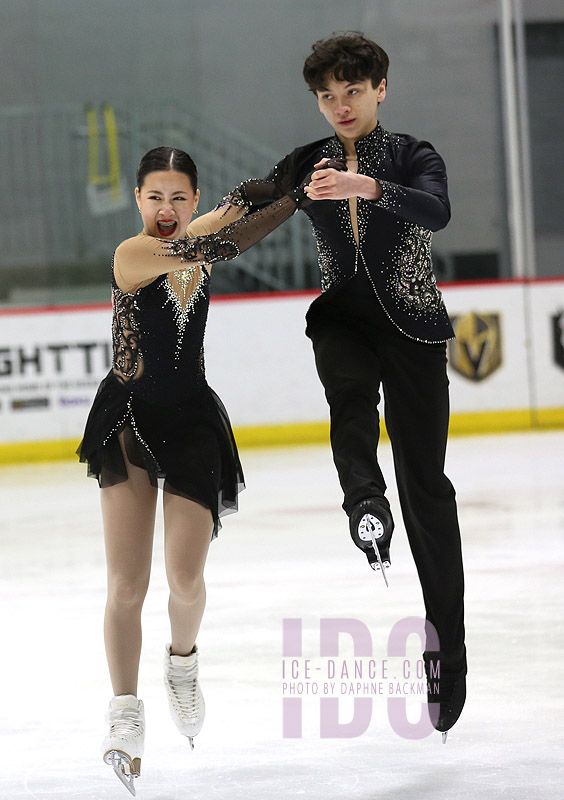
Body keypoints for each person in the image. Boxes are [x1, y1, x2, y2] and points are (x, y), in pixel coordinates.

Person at [250, 31, 466, 739]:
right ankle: (365, 504)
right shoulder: (305, 161)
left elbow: (435, 211)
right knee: (348, 404)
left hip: (411, 325)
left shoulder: (411, 155)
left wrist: (364, 185)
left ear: (380, 89)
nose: (338, 105)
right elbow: (251, 201)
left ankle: (447, 651)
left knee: (427, 483)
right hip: (343, 315)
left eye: (351, 91)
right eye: (326, 95)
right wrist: (187, 242)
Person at [77, 146, 313, 792]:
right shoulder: (135, 254)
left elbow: (231, 216)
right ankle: (124, 712)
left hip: (190, 423)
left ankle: (183, 664)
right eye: (155, 197)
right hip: (126, 419)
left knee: (186, 580)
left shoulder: (197, 230)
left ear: (192, 198)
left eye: (179, 198)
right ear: (137, 199)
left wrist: (275, 184)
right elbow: (219, 245)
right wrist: (291, 201)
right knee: (128, 585)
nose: (166, 209)